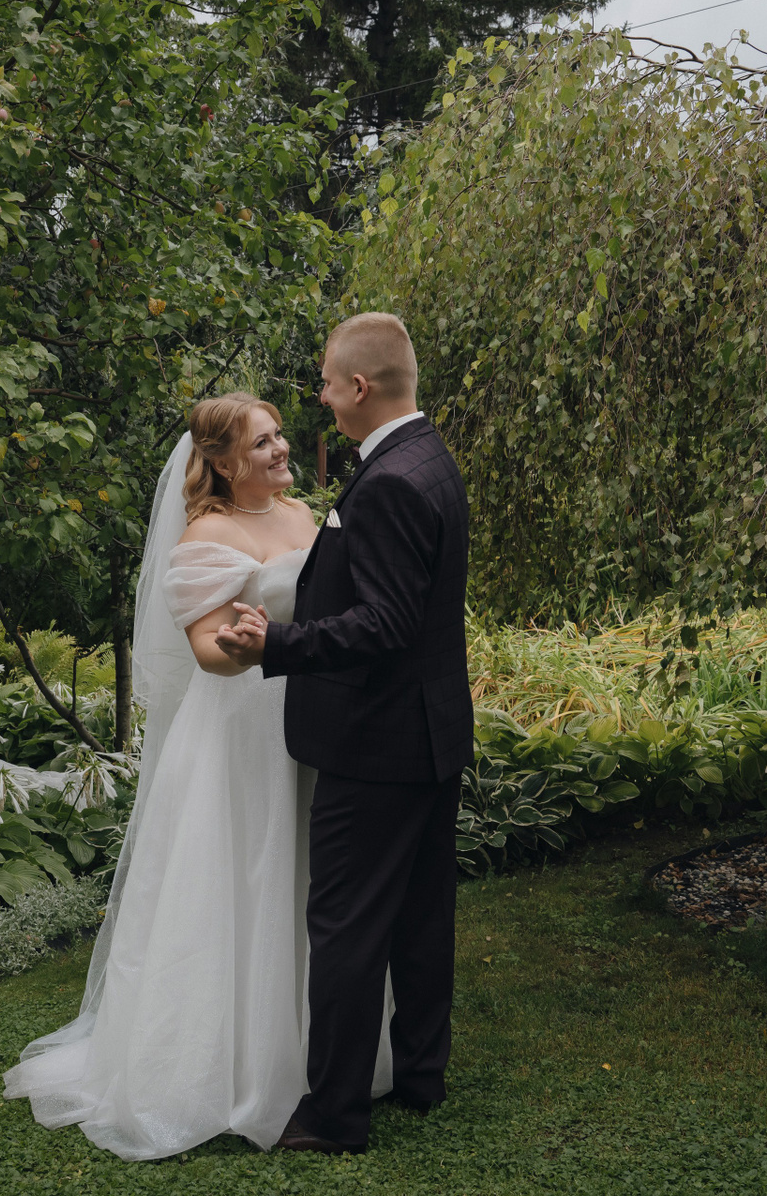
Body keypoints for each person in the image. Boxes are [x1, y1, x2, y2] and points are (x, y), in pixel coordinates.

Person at [1, 391, 392, 1160]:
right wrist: (255, 644)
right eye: (261, 443)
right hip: (239, 737)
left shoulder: (304, 515)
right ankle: (221, 1073)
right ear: (222, 462)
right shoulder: (206, 535)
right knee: (238, 882)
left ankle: (319, 1056)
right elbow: (210, 653)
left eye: (279, 435)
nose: (281, 449)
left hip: (310, 725)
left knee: (311, 884)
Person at [218, 311, 473, 1155]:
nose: (321, 398)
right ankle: (422, 1074)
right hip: (430, 733)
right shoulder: (429, 456)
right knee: (421, 918)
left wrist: (280, 644)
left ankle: (333, 1114)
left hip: (377, 742)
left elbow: (387, 623)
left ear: (359, 387)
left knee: (347, 926)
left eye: (327, 383)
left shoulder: (391, 479)